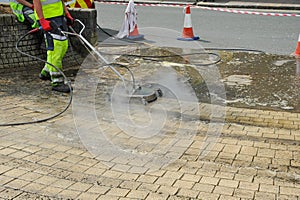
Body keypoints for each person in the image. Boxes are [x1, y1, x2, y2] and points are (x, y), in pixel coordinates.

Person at [34, 0, 74, 93]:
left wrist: (66, 12)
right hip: (48, 18)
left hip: (59, 16)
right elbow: (36, 1)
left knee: (63, 46)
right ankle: (57, 82)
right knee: (56, 49)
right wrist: (42, 20)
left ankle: (47, 71)